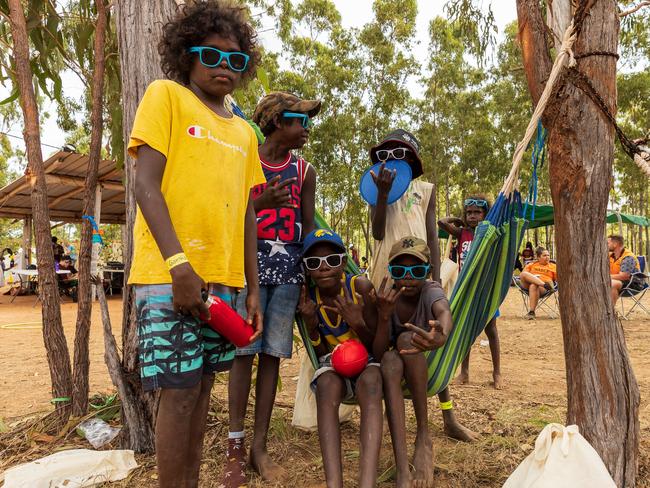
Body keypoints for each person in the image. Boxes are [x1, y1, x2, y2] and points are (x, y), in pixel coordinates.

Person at [127, 3, 264, 487]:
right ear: (186, 55)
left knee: (203, 391)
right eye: (212, 55)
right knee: (179, 394)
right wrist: (178, 264)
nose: (225, 66)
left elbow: (247, 211)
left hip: (224, 284)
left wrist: (251, 287)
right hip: (171, 277)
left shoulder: (246, 133)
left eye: (236, 60)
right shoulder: (165, 96)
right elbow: (145, 184)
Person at [224, 91, 319, 486]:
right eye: (302, 122)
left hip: (289, 275)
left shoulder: (304, 172)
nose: (307, 131)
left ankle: (258, 448)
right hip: (246, 271)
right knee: (243, 353)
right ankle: (234, 446)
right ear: (279, 121)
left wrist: (308, 286)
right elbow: (230, 213)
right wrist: (262, 202)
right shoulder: (245, 160)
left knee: (273, 357)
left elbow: (309, 228)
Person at [368, 129, 475, 441]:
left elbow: (432, 236)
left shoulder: (425, 189)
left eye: (400, 154)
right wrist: (383, 196)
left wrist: (437, 279)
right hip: (387, 274)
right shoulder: (375, 189)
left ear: (413, 161)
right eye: (385, 155)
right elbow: (376, 233)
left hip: (422, 273)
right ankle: (391, 419)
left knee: (431, 338)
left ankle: (448, 416)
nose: (392, 161)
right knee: (388, 342)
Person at [297, 229, 383, 488]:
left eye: (332, 260)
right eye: (314, 263)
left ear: (344, 263)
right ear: (308, 270)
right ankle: (334, 483)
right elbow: (322, 354)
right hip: (332, 364)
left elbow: (379, 348)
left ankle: (366, 483)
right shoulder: (309, 300)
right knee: (325, 385)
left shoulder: (360, 288)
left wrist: (357, 324)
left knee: (371, 381)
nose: (324, 268)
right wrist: (312, 327)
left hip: (368, 360)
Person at [373, 236, 454, 488]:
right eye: (399, 270)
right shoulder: (387, 295)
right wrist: (384, 316)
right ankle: (401, 464)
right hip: (392, 365)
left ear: (427, 272)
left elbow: (443, 311)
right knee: (388, 359)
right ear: (391, 272)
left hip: (424, 360)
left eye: (416, 270)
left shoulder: (431, 290)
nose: (407, 277)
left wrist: (442, 334)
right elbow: (377, 351)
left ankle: (423, 435)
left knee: (408, 339)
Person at [438, 195, 502, 389]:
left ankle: (497, 372)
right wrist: (457, 221)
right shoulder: (462, 233)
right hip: (466, 288)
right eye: (469, 213)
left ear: (486, 214)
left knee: (490, 329)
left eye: (477, 212)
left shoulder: (490, 233)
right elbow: (441, 223)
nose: (473, 216)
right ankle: (464, 372)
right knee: (464, 329)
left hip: (485, 289)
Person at [519, 247, 557, 319]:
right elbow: (523, 276)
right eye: (544, 255)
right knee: (523, 274)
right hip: (529, 284)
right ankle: (545, 285)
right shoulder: (531, 264)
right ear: (538, 257)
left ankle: (531, 312)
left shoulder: (553, 267)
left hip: (541, 289)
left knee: (534, 285)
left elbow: (559, 280)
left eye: (548, 255)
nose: (547, 257)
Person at [608, 234, 642, 306]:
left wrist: (605, 277)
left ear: (615, 244)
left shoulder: (628, 257)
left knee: (612, 284)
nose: (605, 245)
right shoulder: (609, 255)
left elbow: (624, 276)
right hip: (617, 281)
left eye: (608, 243)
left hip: (633, 284)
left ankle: (610, 312)